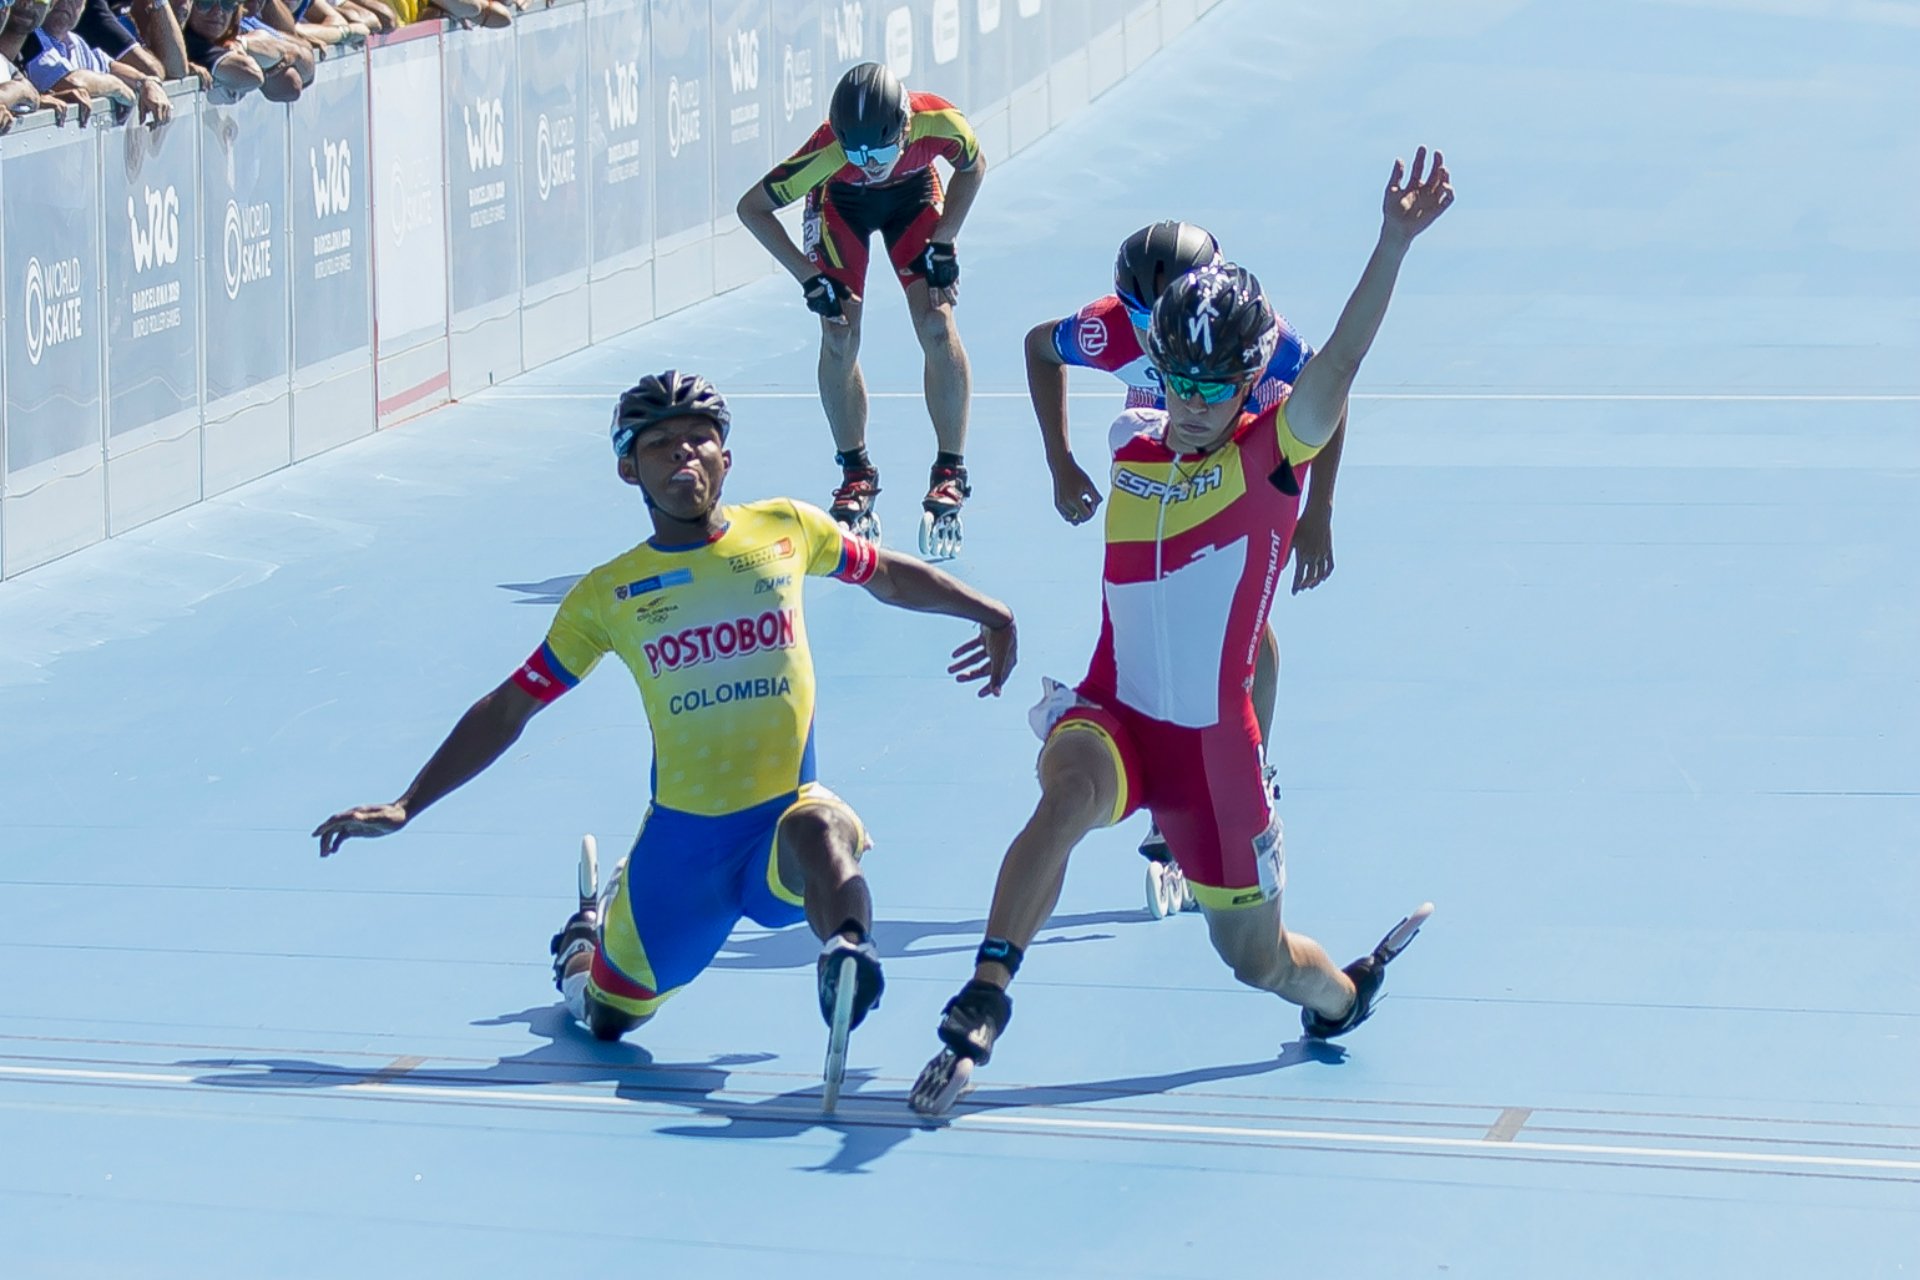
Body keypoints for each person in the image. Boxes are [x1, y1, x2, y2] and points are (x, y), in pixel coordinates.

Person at [909, 150, 1455, 1116]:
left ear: (1252, 380)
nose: (1193, 407)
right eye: (1178, 383)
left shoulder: (1275, 451)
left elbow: (1340, 362)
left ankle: (1343, 995)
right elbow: (1047, 351)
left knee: (1259, 962)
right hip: (1114, 709)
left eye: (1216, 388)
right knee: (1066, 795)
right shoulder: (1132, 440)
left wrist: (1393, 243)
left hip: (1213, 757)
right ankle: (985, 998)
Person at [314, 371, 1019, 1058]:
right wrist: (408, 804)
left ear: (726, 457)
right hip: (682, 854)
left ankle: (847, 953)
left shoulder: (786, 528)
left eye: (698, 437)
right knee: (609, 1022)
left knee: (824, 824)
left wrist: (989, 609)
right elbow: (509, 708)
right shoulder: (606, 596)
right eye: (659, 444)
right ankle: (582, 942)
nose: (683, 452)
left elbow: (888, 574)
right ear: (628, 469)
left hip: (779, 830)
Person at [1025, 221, 1350, 901]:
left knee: (1241, 637)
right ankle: (1189, 786)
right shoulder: (1104, 328)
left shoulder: (1261, 333)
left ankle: (1243, 770)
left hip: (1242, 461)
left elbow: (1330, 391)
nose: (1150, 334)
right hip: (1161, 464)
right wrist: (1060, 463)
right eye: (1140, 320)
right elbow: (1038, 347)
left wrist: (1316, 512)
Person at [735, 62, 987, 556]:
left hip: (913, 198)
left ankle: (950, 470)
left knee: (936, 324)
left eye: (881, 150)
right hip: (840, 204)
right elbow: (752, 209)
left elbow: (973, 166)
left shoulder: (940, 120)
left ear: (907, 128)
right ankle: (855, 472)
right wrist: (808, 279)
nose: (871, 162)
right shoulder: (827, 152)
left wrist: (945, 239)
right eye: (859, 151)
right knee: (838, 335)